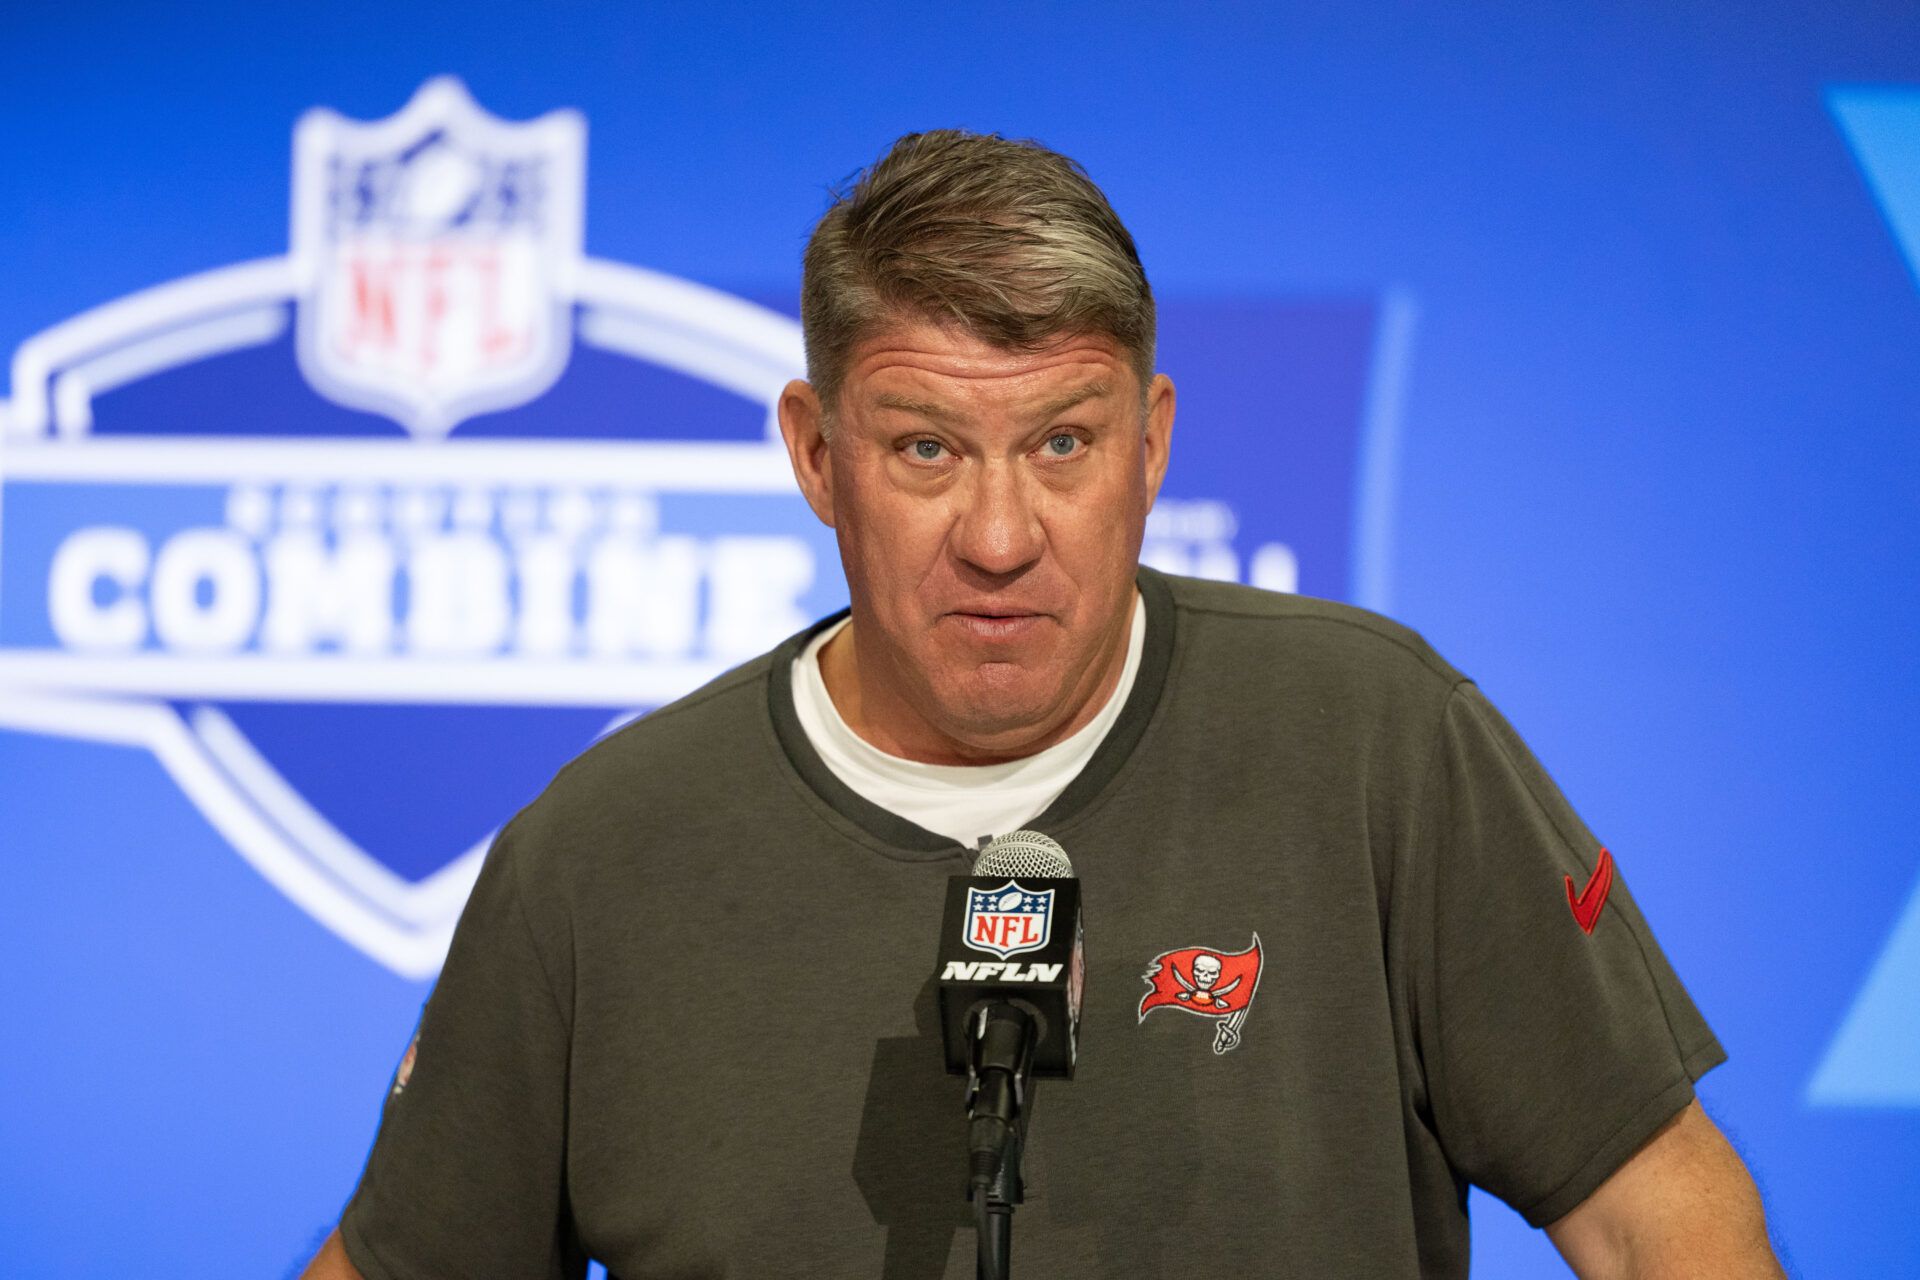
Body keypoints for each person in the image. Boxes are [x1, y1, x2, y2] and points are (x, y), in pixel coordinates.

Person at [304, 130, 1784, 1278]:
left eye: (1064, 444)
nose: (1002, 535)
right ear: (817, 458)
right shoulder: (601, 857)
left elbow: (1662, 1218)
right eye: (929, 450)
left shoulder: (1375, 743)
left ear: (1153, 444)